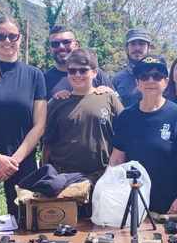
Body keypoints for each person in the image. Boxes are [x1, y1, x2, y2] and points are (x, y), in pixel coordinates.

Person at [0, 16, 47, 219]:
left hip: (23, 162)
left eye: (12, 36)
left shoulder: (35, 75)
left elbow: (39, 125)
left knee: (25, 222)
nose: (7, 41)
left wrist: (13, 161)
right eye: (1, 36)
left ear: (20, 38)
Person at [110, 56, 177, 213]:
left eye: (157, 76)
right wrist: (109, 190)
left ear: (166, 82)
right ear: (137, 83)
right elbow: (117, 159)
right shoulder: (126, 116)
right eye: (144, 76)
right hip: (133, 200)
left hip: (170, 203)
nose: (150, 80)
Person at [44, 48, 123, 184]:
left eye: (83, 70)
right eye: (72, 71)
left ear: (94, 72)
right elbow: (47, 143)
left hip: (102, 177)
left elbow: (124, 135)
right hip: (64, 178)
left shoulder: (109, 98)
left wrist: (113, 169)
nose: (77, 75)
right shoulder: (57, 102)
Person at [43, 25, 112, 94]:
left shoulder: (94, 73)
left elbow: (115, 101)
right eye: (55, 44)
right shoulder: (44, 80)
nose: (61, 47)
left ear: (76, 45)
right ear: (50, 49)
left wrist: (110, 93)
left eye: (66, 42)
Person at [110, 28, 153, 107]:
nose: (137, 48)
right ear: (127, 48)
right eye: (133, 44)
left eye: (141, 44)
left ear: (149, 48)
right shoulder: (117, 80)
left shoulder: (159, 78)